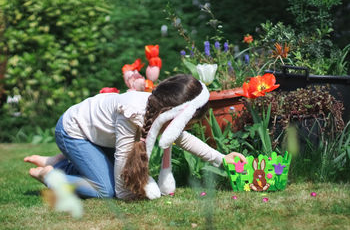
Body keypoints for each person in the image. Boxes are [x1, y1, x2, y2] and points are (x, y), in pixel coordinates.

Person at [24, 74, 247, 200]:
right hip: (73, 132)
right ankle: (51, 176)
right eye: (189, 122)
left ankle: (56, 162)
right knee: (106, 189)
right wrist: (129, 192)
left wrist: (223, 159)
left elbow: (184, 139)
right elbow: (122, 167)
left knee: (106, 176)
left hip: (96, 136)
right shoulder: (131, 114)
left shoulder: (158, 111)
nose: (186, 128)